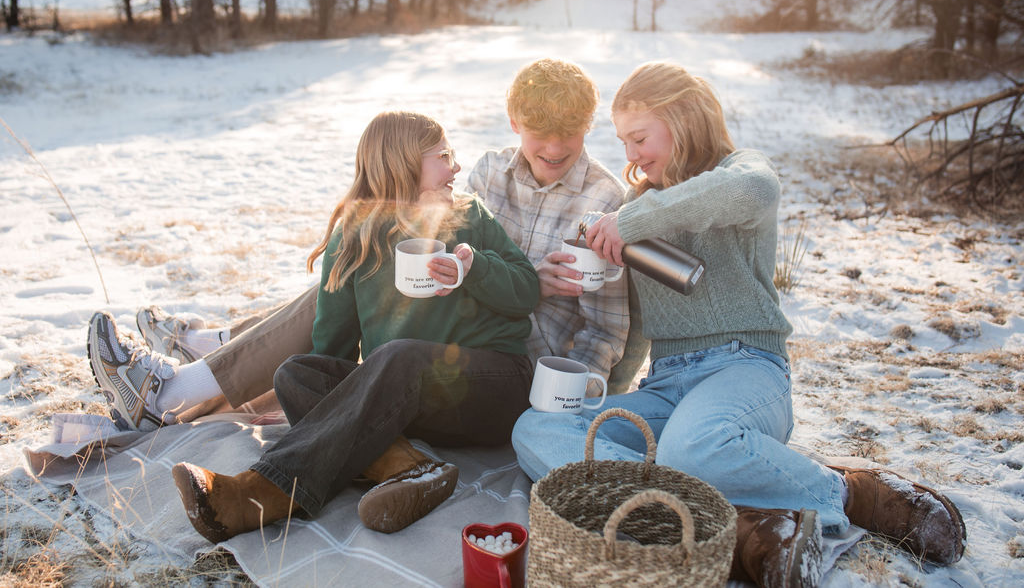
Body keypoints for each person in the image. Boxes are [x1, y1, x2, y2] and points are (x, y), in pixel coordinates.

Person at [510, 62, 967, 588]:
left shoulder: (738, 171)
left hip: (746, 370)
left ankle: (849, 492)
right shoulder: (639, 203)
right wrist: (606, 400)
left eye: (638, 138)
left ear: (682, 118)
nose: (630, 156)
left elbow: (751, 193)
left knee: (692, 446)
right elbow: (639, 325)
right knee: (540, 427)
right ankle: (746, 524)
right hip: (666, 387)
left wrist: (632, 221)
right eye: (623, 142)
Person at [88, 58, 646, 432]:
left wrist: (577, 397)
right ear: (513, 121)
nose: (551, 148)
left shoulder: (605, 198)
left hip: (514, 364)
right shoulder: (488, 171)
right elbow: (458, 241)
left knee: (354, 267)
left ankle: (188, 376)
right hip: (448, 321)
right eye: (538, 134)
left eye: (567, 137)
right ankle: (211, 354)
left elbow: (606, 327)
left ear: (589, 127)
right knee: (360, 257)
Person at [159, 110, 539, 542]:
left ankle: (255, 493)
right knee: (297, 373)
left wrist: (474, 269)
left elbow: (526, 292)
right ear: (403, 162)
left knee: (399, 356)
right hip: (409, 400)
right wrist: (323, 408)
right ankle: (411, 469)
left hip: (493, 387)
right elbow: (333, 341)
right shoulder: (355, 235)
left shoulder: (470, 215)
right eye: (443, 155)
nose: (455, 167)